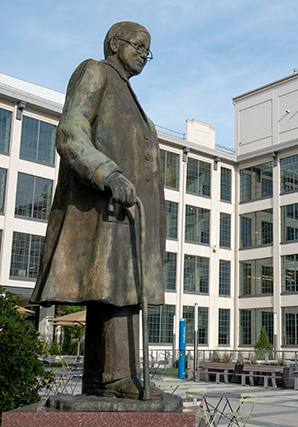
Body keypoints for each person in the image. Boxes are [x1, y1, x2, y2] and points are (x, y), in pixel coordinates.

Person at [30, 21, 166, 400]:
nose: (143, 54)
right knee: (114, 289)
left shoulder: (129, 95)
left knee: (116, 288)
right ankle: (117, 376)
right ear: (114, 43)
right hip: (106, 205)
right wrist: (108, 173)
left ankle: (100, 377)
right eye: (138, 45)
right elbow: (71, 132)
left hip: (128, 215)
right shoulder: (95, 72)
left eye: (147, 50)